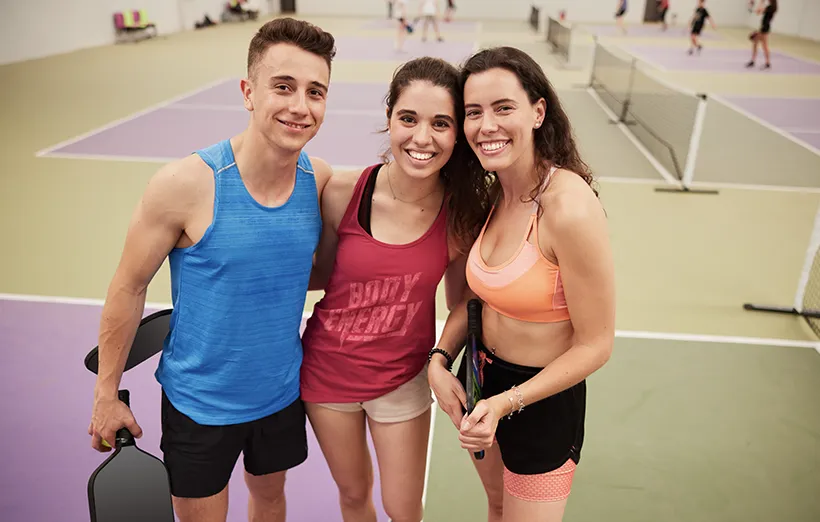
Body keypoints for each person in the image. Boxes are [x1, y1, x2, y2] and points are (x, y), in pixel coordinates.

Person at [87, 18, 336, 522]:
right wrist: (105, 394)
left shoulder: (319, 180)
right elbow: (129, 286)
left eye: (316, 92)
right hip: (199, 404)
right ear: (248, 91)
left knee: (269, 499)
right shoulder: (184, 184)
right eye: (283, 87)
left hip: (281, 392)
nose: (300, 106)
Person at [300, 56, 492, 522]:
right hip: (326, 377)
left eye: (440, 123)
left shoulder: (461, 213)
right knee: (353, 496)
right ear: (389, 118)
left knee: (403, 509)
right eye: (408, 118)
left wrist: (441, 360)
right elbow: (318, 275)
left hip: (401, 382)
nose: (421, 138)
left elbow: (463, 302)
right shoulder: (341, 192)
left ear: (457, 133)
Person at [428, 46, 615, 522]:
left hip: (540, 403)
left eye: (502, 107)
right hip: (481, 382)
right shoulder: (492, 195)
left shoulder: (568, 208)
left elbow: (597, 345)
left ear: (538, 111)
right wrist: (439, 360)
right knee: (495, 506)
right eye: (473, 112)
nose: (486, 125)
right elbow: (476, 296)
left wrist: (507, 403)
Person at [747, 0, 777, 69]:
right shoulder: (772, 7)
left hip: (764, 27)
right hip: (765, 27)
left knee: (757, 42)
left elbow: (758, 12)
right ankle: (767, 63)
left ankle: (754, 61)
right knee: (762, 45)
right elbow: (759, 12)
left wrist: (761, 2)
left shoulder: (770, 7)